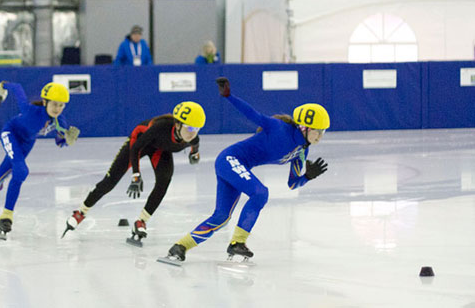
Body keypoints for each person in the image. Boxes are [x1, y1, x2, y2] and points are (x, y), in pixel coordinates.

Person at [162, 77, 329, 263]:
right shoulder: (279, 128)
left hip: (236, 167)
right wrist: (229, 96)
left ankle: (180, 246)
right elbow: (252, 114)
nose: (321, 136)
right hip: (230, 159)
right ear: (304, 127)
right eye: (318, 130)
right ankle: (237, 243)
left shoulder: (302, 150)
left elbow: (292, 184)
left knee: (221, 217)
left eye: (324, 132)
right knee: (260, 193)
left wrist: (307, 176)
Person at [62, 101, 206, 246]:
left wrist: (194, 155)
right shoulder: (160, 128)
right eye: (190, 128)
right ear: (178, 124)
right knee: (110, 181)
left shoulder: (193, 138)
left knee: (164, 180)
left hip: (160, 149)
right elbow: (136, 148)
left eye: (197, 129)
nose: (193, 133)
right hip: (139, 144)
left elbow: (195, 145)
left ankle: (141, 221)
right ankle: (80, 212)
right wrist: (136, 175)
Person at [0, 82, 80, 239]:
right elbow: (19, 88)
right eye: (54, 104)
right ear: (45, 102)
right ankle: (6, 216)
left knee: (3, 176)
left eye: (61, 105)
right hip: (10, 133)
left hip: (26, 144)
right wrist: (5, 85)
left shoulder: (60, 122)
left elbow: (59, 142)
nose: (57, 109)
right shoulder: (30, 110)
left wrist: (66, 140)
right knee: (21, 170)